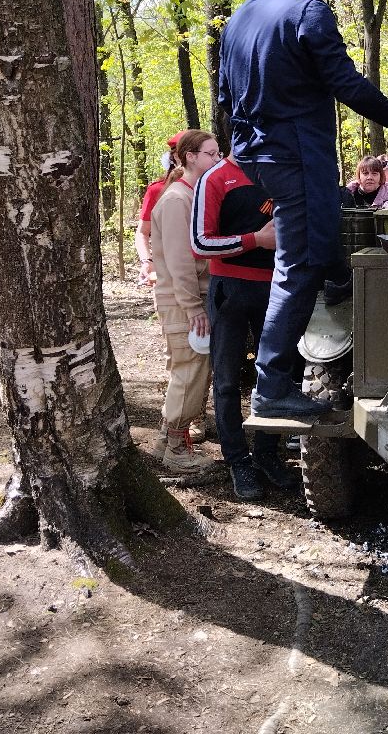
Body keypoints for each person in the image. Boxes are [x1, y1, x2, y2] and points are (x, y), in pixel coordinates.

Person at [219, 0, 388, 419]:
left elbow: (226, 98)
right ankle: (272, 387)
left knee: (319, 237)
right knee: (297, 265)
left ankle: (338, 281)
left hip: (252, 152)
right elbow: (345, 83)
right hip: (294, 155)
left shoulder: (240, 17)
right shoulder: (307, 11)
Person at [191, 156, 300, 500]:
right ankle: (237, 460)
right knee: (225, 381)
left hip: (278, 289)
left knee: (276, 374)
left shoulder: (281, 171)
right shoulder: (215, 177)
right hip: (230, 290)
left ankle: (267, 453)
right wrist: (256, 240)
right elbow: (200, 242)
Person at [151, 129, 221, 475]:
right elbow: (181, 262)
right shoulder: (178, 199)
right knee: (191, 370)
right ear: (190, 156)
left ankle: (167, 440)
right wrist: (193, 308)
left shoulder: (192, 194)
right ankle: (177, 450)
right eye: (210, 153)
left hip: (192, 296)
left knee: (191, 368)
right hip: (183, 300)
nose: (217, 159)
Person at [134, 131, 186, 285]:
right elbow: (143, 232)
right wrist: (147, 261)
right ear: (175, 156)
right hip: (168, 276)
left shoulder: (212, 186)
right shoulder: (157, 190)